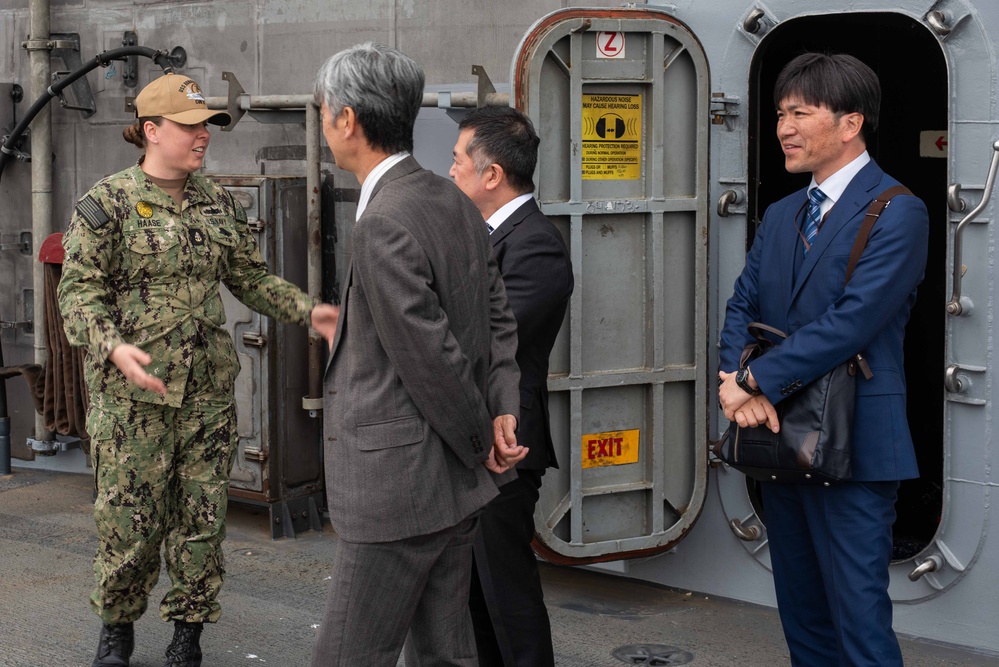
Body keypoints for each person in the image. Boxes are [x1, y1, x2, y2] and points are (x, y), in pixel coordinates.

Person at [57, 73, 339, 667]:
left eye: (206, 126)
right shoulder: (106, 205)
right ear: (151, 131)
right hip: (132, 404)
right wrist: (112, 347)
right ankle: (118, 630)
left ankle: (188, 638)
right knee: (129, 526)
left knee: (201, 523)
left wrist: (308, 311)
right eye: (189, 127)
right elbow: (78, 294)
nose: (202, 136)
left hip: (206, 395)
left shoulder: (216, 202)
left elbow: (249, 278)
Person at [309, 43, 525, 666]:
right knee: (444, 653)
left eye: (325, 113)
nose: (324, 126)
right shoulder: (448, 198)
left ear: (347, 119)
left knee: (349, 655)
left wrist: (480, 436)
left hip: (398, 487)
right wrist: (500, 409)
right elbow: (495, 319)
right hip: (453, 488)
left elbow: (429, 355)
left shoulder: (383, 219)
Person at [717, 53, 928, 666]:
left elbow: (853, 322)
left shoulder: (898, 211)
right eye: (781, 113)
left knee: (859, 622)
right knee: (803, 618)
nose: (784, 126)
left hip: (857, 443)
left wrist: (756, 380)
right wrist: (735, 383)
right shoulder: (783, 213)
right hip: (781, 440)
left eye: (800, 113)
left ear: (850, 123)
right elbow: (742, 306)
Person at [450, 106, 573, 667]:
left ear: (492, 173)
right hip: (470, 436)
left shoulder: (536, 244)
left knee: (507, 593)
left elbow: (492, 341)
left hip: (507, 442)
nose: (451, 171)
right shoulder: (482, 235)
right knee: (471, 593)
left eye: (457, 161)